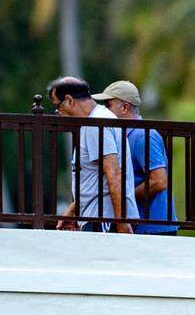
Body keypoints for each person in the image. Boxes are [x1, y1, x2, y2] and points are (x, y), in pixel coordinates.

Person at [47, 75, 137, 233]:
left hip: (104, 219)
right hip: (99, 217)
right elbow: (96, 180)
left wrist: (121, 222)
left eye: (58, 106)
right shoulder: (96, 120)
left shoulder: (96, 124)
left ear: (69, 100)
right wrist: (73, 211)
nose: (58, 113)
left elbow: (113, 173)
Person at [93, 80, 178, 236]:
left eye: (108, 104)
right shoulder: (125, 135)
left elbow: (159, 181)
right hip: (142, 226)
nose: (104, 109)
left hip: (153, 228)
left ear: (124, 107)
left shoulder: (143, 135)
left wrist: (125, 197)